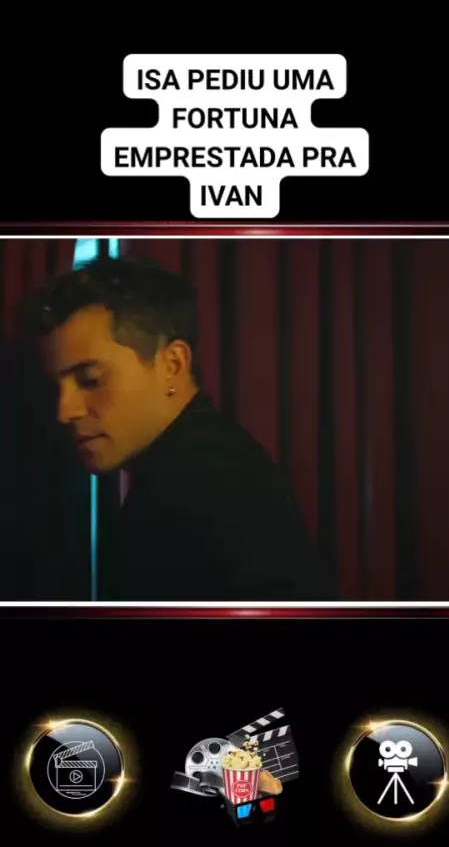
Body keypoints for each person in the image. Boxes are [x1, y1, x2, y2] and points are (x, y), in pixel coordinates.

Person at [23, 255, 333, 600]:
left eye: (91, 379)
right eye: (56, 387)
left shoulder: (206, 483)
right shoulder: (195, 465)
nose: (64, 411)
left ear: (172, 365)